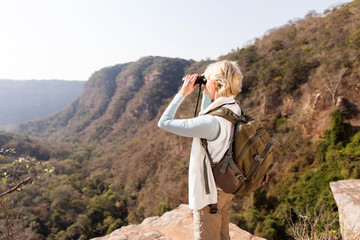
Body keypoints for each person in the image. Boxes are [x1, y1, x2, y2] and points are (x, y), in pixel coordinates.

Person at [158, 60, 243, 240]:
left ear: (214, 83)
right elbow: (209, 117)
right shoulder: (233, 108)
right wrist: (206, 92)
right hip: (227, 186)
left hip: (210, 196)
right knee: (222, 235)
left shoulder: (211, 122)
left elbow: (164, 122)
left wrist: (183, 93)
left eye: (208, 80)